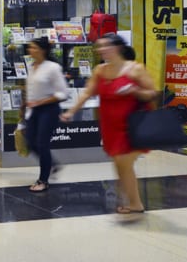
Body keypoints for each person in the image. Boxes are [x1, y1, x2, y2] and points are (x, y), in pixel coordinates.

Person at [61, 33, 157, 215]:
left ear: (118, 48)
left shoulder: (135, 69)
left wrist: (134, 90)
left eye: (106, 46)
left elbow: (151, 93)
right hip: (109, 126)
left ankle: (135, 203)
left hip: (131, 125)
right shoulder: (100, 71)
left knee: (123, 161)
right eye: (99, 46)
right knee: (120, 163)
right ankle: (127, 198)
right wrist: (71, 112)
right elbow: (87, 93)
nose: (101, 50)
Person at [23, 37, 70, 192]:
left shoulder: (53, 68)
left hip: (49, 110)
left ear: (42, 50)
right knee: (30, 142)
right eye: (30, 47)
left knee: (42, 144)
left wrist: (41, 102)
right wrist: (25, 105)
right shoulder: (31, 66)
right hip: (33, 110)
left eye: (34, 47)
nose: (30, 50)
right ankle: (53, 165)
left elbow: (63, 93)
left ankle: (43, 180)